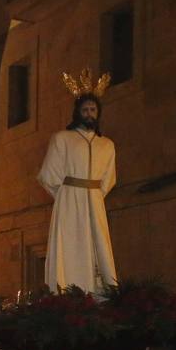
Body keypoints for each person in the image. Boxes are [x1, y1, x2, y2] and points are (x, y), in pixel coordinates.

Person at [38, 75, 118, 293]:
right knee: (69, 244)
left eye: (93, 110)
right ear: (78, 112)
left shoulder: (107, 145)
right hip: (68, 201)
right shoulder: (62, 138)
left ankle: (101, 292)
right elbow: (48, 175)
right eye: (85, 110)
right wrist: (67, 197)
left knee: (97, 244)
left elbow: (109, 179)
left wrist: (91, 196)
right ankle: (65, 292)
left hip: (94, 201)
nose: (90, 114)